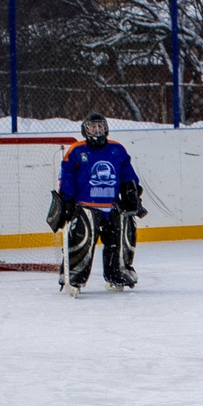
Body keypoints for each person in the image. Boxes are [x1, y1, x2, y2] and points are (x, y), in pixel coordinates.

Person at [45, 113, 142, 292]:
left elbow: (126, 172)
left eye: (100, 126)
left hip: (111, 206)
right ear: (85, 130)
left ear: (106, 128)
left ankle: (117, 273)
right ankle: (73, 276)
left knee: (120, 240)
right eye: (92, 127)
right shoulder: (76, 150)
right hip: (85, 205)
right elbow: (67, 176)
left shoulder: (117, 149)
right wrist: (66, 199)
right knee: (82, 241)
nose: (97, 130)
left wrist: (131, 190)